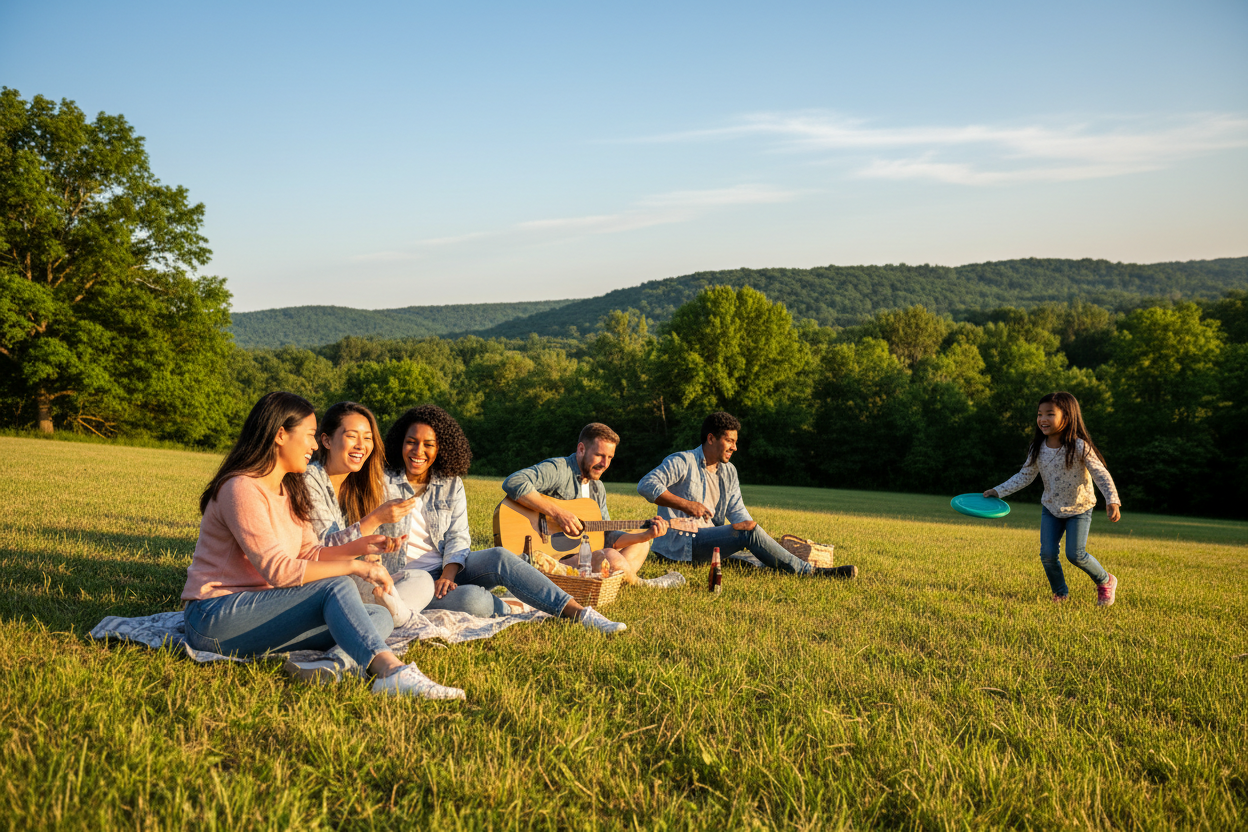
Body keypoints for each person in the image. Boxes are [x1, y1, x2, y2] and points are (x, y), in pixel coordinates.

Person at [180, 391, 464, 700]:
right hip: (215, 618)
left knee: (377, 616)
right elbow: (278, 570)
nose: (315, 445)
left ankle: (335, 664)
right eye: (311, 436)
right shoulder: (241, 488)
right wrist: (355, 566)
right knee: (337, 586)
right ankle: (390, 672)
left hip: (267, 609)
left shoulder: (289, 487)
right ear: (280, 435)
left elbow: (310, 553)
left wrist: (364, 547)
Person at [378, 404, 627, 634]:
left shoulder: (450, 483)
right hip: (408, 580)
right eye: (411, 442)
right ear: (400, 442)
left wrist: (449, 573)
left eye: (428, 444)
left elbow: (458, 536)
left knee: (500, 557)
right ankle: (509, 606)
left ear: (440, 447)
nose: (418, 451)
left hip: (447, 569)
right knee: (474, 600)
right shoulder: (380, 481)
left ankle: (580, 613)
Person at [637, 411, 858, 579]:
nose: (735, 447)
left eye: (736, 442)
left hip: (707, 539)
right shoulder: (682, 461)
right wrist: (686, 505)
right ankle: (810, 572)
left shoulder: (729, 471)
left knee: (755, 555)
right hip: (679, 544)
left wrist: (758, 535)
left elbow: (737, 511)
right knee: (749, 538)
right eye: (730, 441)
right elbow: (646, 485)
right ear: (711, 438)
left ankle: (775, 559)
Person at [501, 422, 683, 588]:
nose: (605, 464)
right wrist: (558, 513)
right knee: (610, 558)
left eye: (610, 457)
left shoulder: (598, 488)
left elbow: (607, 536)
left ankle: (613, 578)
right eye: (599, 455)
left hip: (582, 555)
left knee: (641, 545)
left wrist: (645, 535)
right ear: (581, 449)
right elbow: (514, 481)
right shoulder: (559, 469)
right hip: (547, 558)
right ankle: (641, 584)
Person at [983, 391, 1122, 606]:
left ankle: (1105, 580)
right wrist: (998, 491)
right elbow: (1025, 476)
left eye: (1050, 414)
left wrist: (1112, 500)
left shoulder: (1079, 446)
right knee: (1047, 554)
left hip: (1079, 508)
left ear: (1067, 417)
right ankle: (1060, 593)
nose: (1042, 419)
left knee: (1075, 555)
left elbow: (1100, 473)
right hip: (1051, 508)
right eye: (1039, 414)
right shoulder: (1037, 447)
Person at [304, 401, 434, 615]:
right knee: (383, 598)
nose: (361, 445)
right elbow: (326, 549)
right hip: (327, 583)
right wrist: (375, 519)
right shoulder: (310, 480)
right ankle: (394, 615)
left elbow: (361, 550)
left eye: (367, 438)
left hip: (357, 578)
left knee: (422, 579)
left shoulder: (358, 484)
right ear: (326, 440)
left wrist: (376, 549)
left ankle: (390, 612)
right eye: (352, 436)